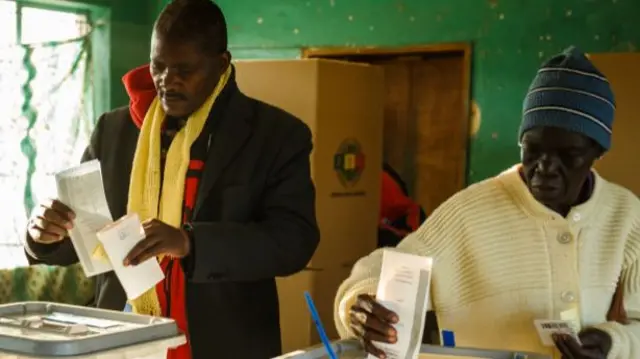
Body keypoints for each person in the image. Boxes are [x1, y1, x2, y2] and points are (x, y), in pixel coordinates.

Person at [24, 0, 320, 358]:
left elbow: (294, 242)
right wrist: (44, 235)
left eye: (184, 69)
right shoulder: (114, 132)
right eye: (158, 66)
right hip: (124, 339)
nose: (167, 81)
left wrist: (190, 242)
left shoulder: (274, 136)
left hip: (222, 343)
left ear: (222, 64)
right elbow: (86, 240)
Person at [334, 46, 640, 359]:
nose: (545, 168)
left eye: (568, 156)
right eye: (533, 150)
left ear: (597, 154)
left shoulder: (625, 215)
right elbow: (390, 265)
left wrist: (611, 343)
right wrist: (361, 302)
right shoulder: (469, 212)